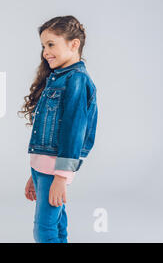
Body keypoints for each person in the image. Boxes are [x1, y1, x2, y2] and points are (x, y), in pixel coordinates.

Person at [19, 16, 98, 243]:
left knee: (44, 230)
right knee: (57, 222)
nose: (45, 52)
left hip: (56, 170)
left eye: (51, 44)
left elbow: (74, 131)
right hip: (44, 169)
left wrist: (62, 177)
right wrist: (34, 175)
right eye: (44, 46)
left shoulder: (76, 80)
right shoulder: (58, 78)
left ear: (74, 44)